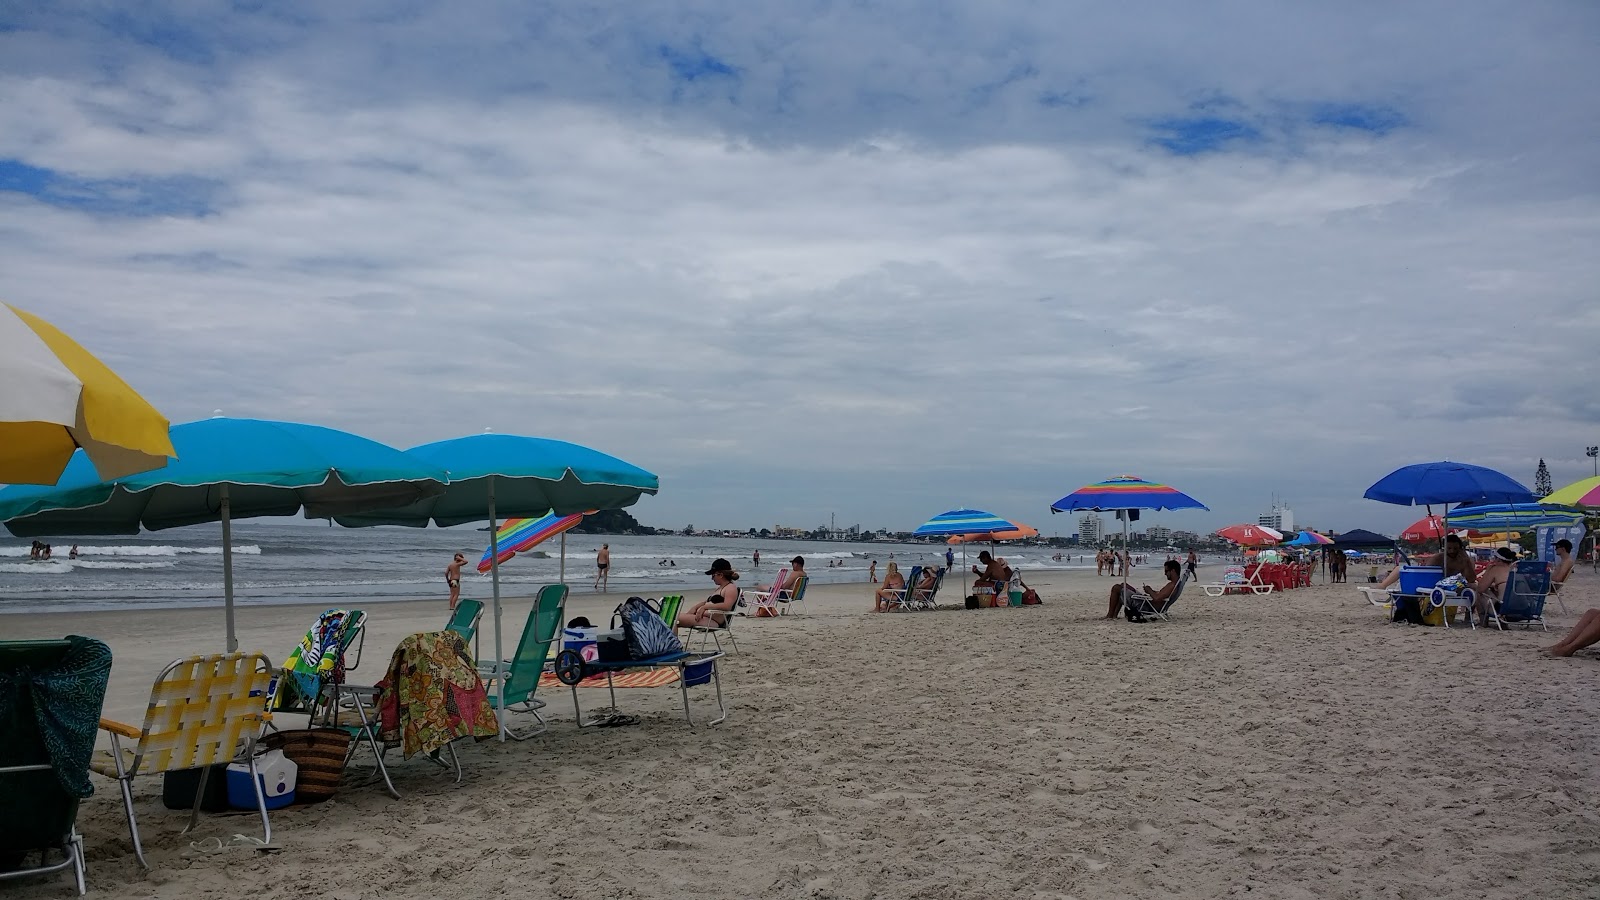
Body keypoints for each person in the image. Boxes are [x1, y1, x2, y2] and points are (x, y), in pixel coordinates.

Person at [1376, 534, 1476, 590]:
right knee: (1400, 569)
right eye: (1449, 548)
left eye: (1455, 548)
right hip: (1437, 584)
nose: (1452, 551)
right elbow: (1426, 572)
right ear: (1444, 548)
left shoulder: (1465, 559)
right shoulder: (1439, 558)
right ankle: (1382, 586)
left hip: (1456, 585)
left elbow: (1471, 579)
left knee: (1474, 587)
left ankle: (1470, 615)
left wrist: (1466, 562)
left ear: (1460, 548)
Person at [1106, 559, 1182, 619]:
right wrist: (1151, 592)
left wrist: (1149, 590)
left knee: (1116, 588)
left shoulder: (1172, 585)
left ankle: (1110, 615)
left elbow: (1156, 598)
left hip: (1146, 605)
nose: (1165, 573)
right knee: (1123, 585)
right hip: (1147, 602)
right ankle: (1114, 615)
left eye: (1166, 571)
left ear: (1173, 571)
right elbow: (1160, 596)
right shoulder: (1174, 584)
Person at [677, 558, 741, 629]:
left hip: (713, 621)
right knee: (672, 618)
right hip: (706, 618)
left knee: (674, 619)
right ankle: (670, 640)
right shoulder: (720, 588)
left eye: (713, 575)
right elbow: (707, 602)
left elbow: (727, 606)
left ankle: (671, 640)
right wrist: (695, 607)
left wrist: (704, 607)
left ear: (720, 575)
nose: (712, 578)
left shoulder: (730, 587)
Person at [1468, 547, 1519, 623]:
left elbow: (1480, 589)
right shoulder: (1517, 570)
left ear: (1498, 559)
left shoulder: (1496, 569)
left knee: (1479, 592)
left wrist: (1488, 570)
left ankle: (1483, 622)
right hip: (1524, 610)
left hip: (1504, 612)